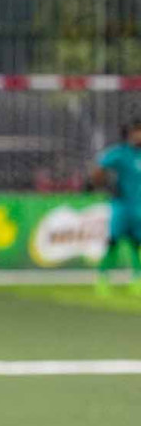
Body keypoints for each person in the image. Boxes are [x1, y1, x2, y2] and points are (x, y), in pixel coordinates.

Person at [92, 121, 141, 296]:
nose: (139, 135)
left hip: (139, 208)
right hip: (122, 206)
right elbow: (100, 166)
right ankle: (103, 279)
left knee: (137, 245)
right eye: (136, 131)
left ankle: (137, 281)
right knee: (113, 242)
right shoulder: (121, 153)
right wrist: (100, 182)